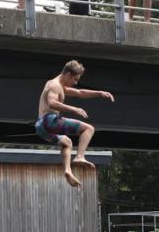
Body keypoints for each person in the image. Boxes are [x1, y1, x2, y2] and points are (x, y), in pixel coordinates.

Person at [35, 60, 114, 188]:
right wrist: (75, 109)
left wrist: (99, 93)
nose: (75, 83)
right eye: (75, 79)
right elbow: (52, 103)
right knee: (88, 129)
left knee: (67, 142)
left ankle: (67, 170)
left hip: (42, 129)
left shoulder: (60, 85)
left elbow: (80, 93)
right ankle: (80, 156)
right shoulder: (54, 85)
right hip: (49, 121)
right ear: (67, 74)